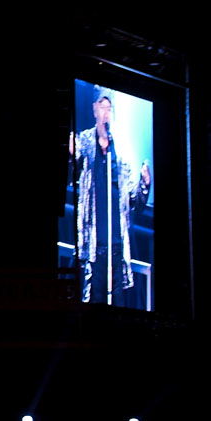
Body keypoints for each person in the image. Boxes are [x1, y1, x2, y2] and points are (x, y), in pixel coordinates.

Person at [71, 87, 152, 306]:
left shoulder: (121, 154)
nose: (106, 113)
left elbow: (135, 202)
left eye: (109, 108)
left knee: (118, 306)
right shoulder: (84, 144)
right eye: (102, 107)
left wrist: (145, 184)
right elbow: (73, 169)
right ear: (94, 110)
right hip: (95, 250)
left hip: (117, 251)